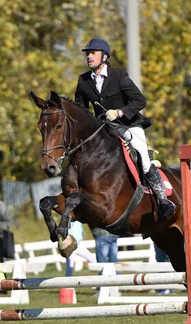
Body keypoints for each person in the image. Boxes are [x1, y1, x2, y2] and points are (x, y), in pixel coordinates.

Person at [74, 38, 175, 218]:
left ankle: (162, 198)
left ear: (104, 56)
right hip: (105, 130)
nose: (89, 56)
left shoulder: (119, 76)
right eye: (87, 53)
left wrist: (119, 112)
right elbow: (80, 110)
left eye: (93, 53)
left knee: (142, 158)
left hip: (129, 125)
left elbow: (139, 101)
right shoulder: (83, 81)